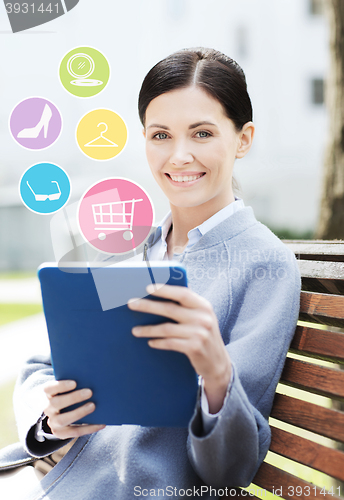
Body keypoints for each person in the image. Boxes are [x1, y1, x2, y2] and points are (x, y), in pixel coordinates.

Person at [0, 47, 300, 499]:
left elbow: (231, 471)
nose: (179, 156)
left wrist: (218, 375)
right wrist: (52, 417)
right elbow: (40, 366)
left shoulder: (264, 265)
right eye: (160, 135)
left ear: (243, 139)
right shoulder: (129, 249)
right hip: (58, 469)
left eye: (202, 133)